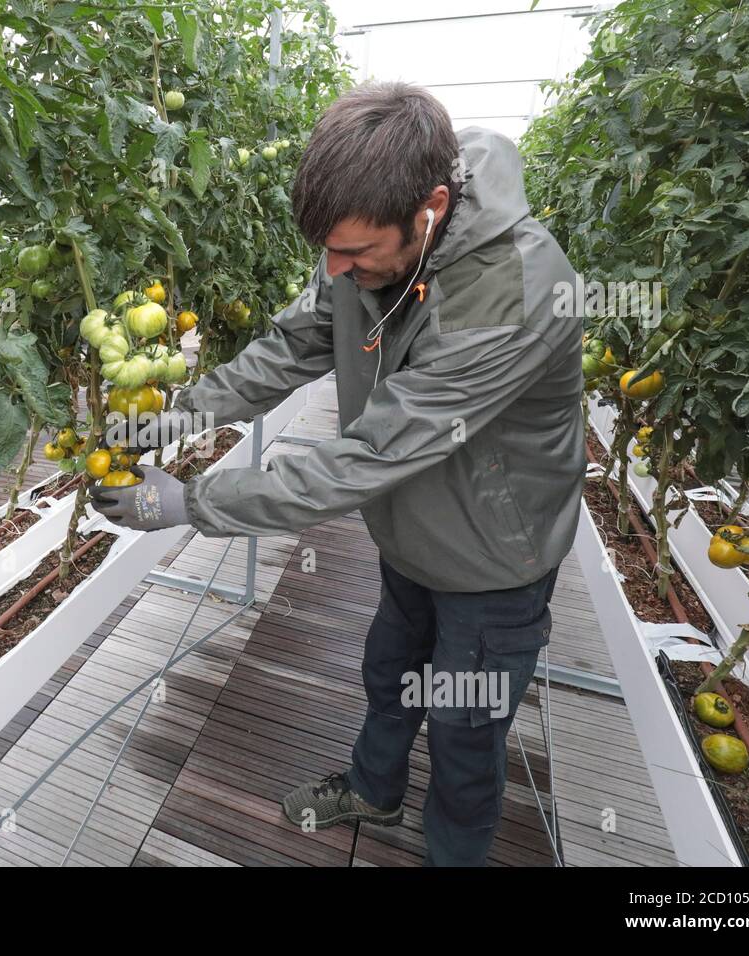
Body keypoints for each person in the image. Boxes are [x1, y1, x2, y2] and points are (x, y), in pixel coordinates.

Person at [90, 82, 585, 867]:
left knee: (463, 722)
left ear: (428, 208)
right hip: (409, 528)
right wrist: (178, 415)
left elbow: (375, 452)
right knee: (390, 669)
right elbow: (289, 348)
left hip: (496, 553)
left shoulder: (513, 292)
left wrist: (194, 500)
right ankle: (373, 790)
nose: (336, 270)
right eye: (328, 251)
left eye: (353, 254)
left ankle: (453, 853)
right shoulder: (367, 242)